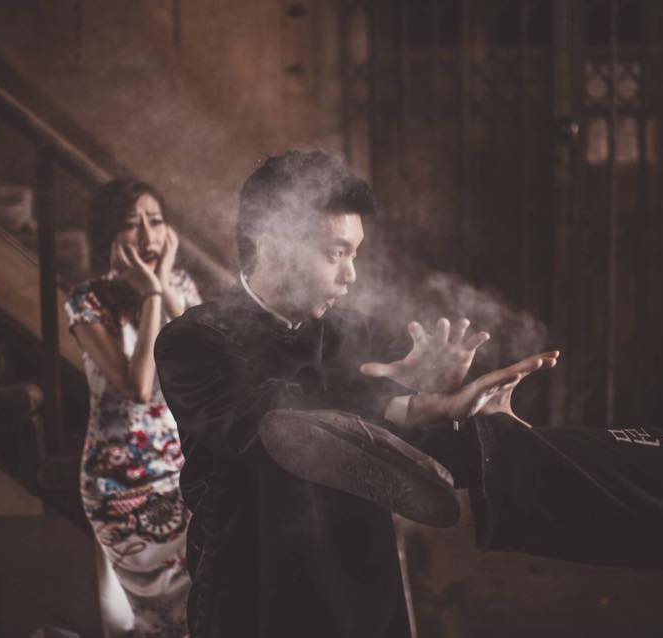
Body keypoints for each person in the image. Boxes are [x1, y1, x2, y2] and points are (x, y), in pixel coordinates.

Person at [154, 151, 556, 637]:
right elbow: (274, 425)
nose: (351, 276)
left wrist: (474, 420)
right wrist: (397, 402)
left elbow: (420, 452)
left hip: (361, 591)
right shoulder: (194, 342)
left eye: (355, 254)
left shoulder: (355, 333)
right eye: (335, 253)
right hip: (254, 591)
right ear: (272, 240)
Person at [65, 178, 202, 637]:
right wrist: (150, 296)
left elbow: (209, 361)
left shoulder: (181, 285)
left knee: (206, 607)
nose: (148, 236)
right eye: (131, 224)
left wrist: (163, 287)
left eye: (156, 221)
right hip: (120, 483)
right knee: (158, 625)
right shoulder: (87, 300)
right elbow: (138, 387)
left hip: (185, 475)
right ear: (109, 235)